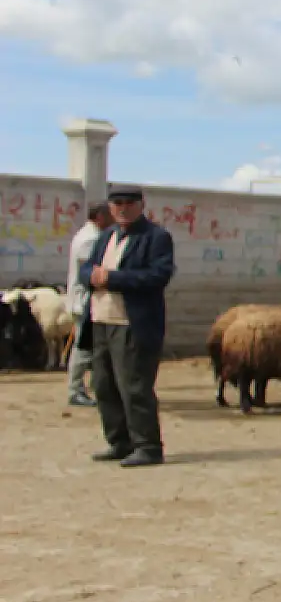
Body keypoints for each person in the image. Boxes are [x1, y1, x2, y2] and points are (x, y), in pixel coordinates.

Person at [77, 185, 176, 467]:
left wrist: (112, 279)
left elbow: (158, 276)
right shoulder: (106, 236)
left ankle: (148, 446)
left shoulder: (156, 237)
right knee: (104, 386)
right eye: (117, 203)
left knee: (134, 387)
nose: (122, 208)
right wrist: (91, 276)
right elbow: (89, 269)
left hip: (132, 324)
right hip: (100, 320)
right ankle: (119, 442)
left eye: (128, 203)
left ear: (140, 205)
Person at [65, 202, 115, 407]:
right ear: (101, 217)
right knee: (83, 348)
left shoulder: (88, 235)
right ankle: (75, 390)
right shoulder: (91, 239)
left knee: (94, 347)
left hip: (89, 301)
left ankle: (97, 387)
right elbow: (94, 270)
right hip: (85, 301)